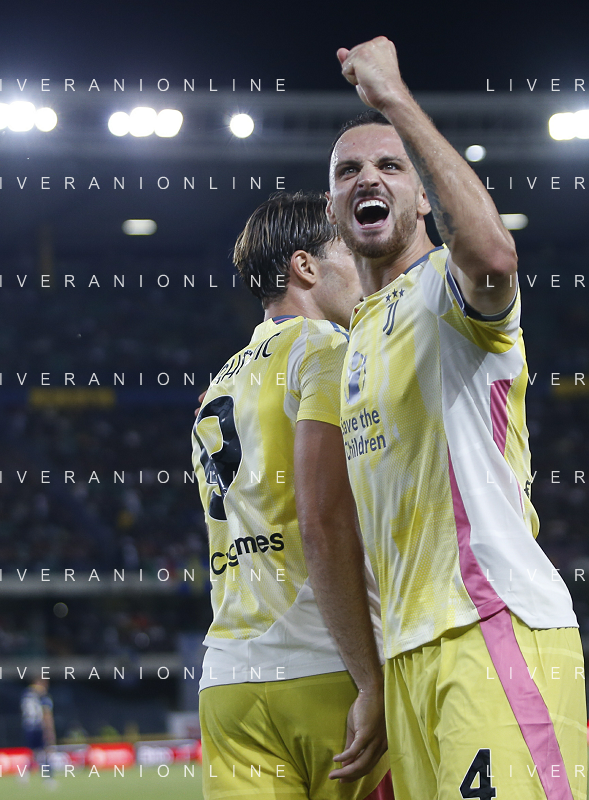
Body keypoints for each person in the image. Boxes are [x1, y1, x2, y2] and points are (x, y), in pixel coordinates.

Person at [327, 37, 586, 800]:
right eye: (347, 172)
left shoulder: (448, 287)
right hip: (408, 653)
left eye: (391, 165)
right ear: (332, 210)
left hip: (489, 623)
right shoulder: (357, 334)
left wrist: (393, 100)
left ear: (421, 199)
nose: (367, 178)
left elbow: (494, 258)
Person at [191, 191, 391, 800]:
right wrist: (371, 680)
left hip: (227, 681)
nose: (362, 269)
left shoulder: (218, 384)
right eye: (347, 253)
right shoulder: (328, 351)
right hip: (323, 666)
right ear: (305, 266)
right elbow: (321, 523)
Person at [20, 678, 55, 783]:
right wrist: (49, 731)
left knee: (34, 754)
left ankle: (24, 775)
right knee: (46, 752)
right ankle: (48, 778)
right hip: (40, 727)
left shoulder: (26, 695)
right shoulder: (42, 696)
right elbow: (46, 714)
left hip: (29, 727)